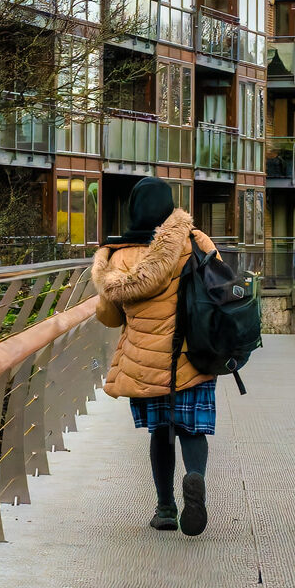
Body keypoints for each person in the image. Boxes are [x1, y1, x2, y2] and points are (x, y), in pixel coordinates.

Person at [91, 176, 218, 536]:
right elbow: (222, 288)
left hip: (146, 364)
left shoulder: (119, 256)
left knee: (161, 433)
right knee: (192, 429)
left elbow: (112, 316)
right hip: (194, 355)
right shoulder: (195, 242)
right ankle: (194, 477)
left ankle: (165, 508)